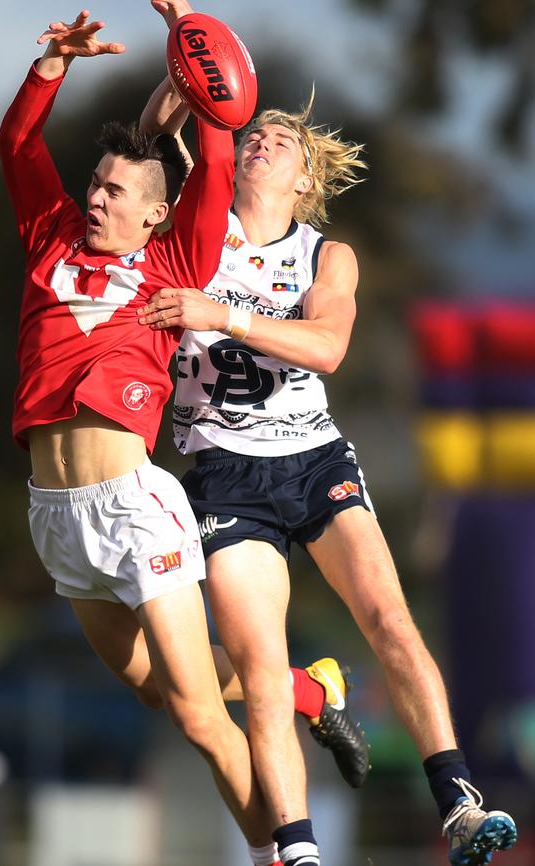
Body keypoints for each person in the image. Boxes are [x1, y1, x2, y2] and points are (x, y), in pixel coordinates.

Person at [137, 17, 519, 866]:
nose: (263, 138)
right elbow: (152, 138)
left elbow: (328, 348)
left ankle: (457, 802)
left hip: (313, 460)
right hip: (223, 470)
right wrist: (188, 56)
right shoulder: (196, 221)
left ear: (307, 177)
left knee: (388, 616)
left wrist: (221, 314)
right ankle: (300, 852)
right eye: (256, 132)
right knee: (263, 669)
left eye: (281, 138)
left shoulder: (326, 256)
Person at [0, 7, 365, 866]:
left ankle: (283, 857)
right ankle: (308, 690)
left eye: (115, 192)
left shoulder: (175, 262)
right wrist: (51, 67)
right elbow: (19, 147)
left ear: (158, 215)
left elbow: (219, 146)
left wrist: (199, 41)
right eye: (93, 184)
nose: (94, 197)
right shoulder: (48, 235)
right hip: (56, 514)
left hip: (135, 506)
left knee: (204, 718)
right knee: (170, 693)